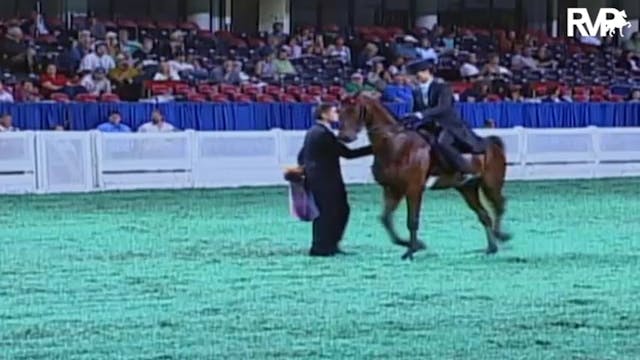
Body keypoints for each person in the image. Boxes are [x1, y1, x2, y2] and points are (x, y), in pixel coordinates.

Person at [296, 104, 372, 257]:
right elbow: (348, 154)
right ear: (324, 115)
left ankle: (326, 244)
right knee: (330, 212)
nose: (337, 113)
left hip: (321, 178)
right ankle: (323, 247)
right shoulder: (323, 134)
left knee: (334, 211)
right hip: (326, 180)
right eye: (334, 111)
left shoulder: (314, 132)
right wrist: (375, 148)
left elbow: (301, 156)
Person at [405, 59, 484, 184]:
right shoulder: (416, 91)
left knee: (442, 142)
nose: (415, 78)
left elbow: (443, 107)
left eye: (417, 74)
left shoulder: (443, 87)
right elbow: (416, 110)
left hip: (448, 125)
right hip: (429, 125)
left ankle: (465, 170)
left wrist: (421, 114)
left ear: (426, 72)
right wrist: (410, 118)